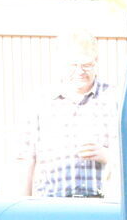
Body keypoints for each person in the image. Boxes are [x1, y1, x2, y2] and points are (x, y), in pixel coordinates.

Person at [17, 30, 118, 198]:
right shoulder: (39, 103)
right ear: (60, 64)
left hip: (103, 204)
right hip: (53, 205)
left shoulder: (115, 99)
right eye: (73, 65)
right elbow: (25, 160)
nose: (80, 71)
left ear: (96, 61)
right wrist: (21, 207)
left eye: (86, 65)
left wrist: (108, 156)